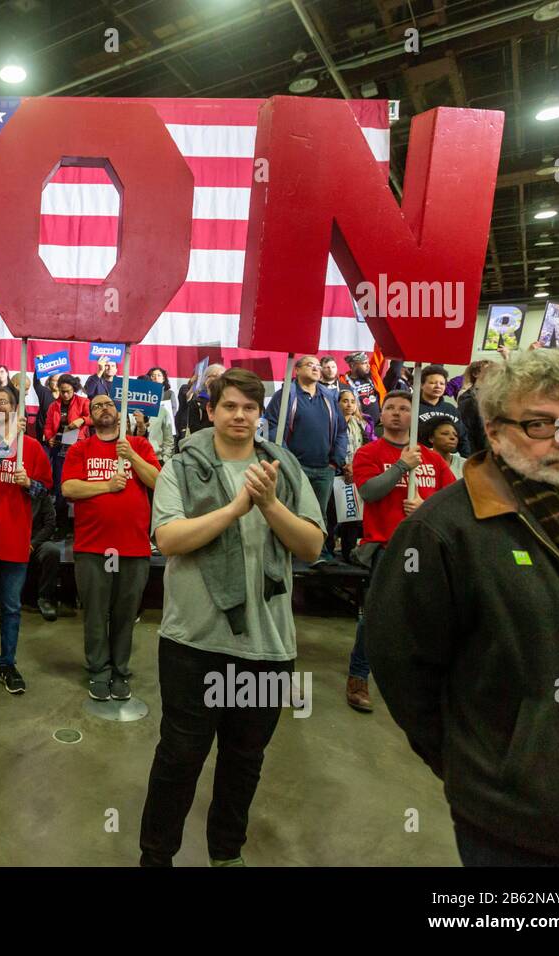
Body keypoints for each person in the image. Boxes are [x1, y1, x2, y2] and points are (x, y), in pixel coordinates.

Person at [366, 349, 559, 866]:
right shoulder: (442, 532)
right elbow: (403, 667)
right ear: (496, 434)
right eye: (540, 425)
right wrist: (487, 767)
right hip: (521, 827)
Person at [141, 368, 324, 867]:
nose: (239, 415)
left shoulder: (283, 470)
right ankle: (156, 857)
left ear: (259, 413)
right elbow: (169, 539)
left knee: (244, 762)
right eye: (230, 406)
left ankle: (226, 854)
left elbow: (310, 545)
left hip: (266, 649)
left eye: (249, 407)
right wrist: (238, 505)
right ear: (211, 411)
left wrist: (268, 505)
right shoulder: (182, 467)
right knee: (179, 759)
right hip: (193, 644)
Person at [344, 391, 455, 713]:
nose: (396, 413)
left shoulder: (431, 458)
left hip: (424, 548)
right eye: (389, 408)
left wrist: (426, 507)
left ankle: (416, 682)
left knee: (424, 616)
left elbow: (451, 498)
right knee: (375, 616)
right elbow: (369, 491)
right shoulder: (369, 453)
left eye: (404, 408)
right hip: (386, 546)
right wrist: (400, 468)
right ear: (381, 415)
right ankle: (358, 676)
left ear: (413, 415)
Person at [61, 393, 160, 701]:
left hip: (132, 547)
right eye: (96, 406)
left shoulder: (139, 446)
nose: (103, 408)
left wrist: (131, 456)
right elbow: (69, 488)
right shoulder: (80, 448)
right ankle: (99, 670)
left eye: (107, 404)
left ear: (119, 412)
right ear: (89, 416)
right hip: (92, 546)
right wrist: (107, 485)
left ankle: (120, 671)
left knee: (125, 612)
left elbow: (158, 481)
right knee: (95, 612)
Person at [0, 387, 53, 695]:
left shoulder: (33, 447)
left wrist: (30, 484)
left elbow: (45, 490)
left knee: (12, 607)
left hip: (16, 537)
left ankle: (8, 663)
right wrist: (6, 443)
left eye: (3, 402)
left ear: (15, 408)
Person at [263, 355, 347, 559]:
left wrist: (335, 460)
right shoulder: (285, 396)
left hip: (324, 469)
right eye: (310, 365)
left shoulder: (329, 397)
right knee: (291, 511)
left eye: (318, 366)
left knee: (319, 514)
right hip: (295, 468)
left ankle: (318, 553)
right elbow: (272, 427)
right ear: (297, 370)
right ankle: (288, 554)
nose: (316, 368)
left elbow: (341, 431)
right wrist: (287, 461)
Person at [43, 373, 90, 535]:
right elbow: (48, 425)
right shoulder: (54, 405)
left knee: (80, 485)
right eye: (62, 391)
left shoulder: (83, 401)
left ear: (74, 389)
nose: (65, 395)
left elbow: (93, 417)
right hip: (59, 448)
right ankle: (62, 527)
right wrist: (49, 437)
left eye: (68, 391)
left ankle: (81, 527)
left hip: (78, 448)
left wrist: (82, 420)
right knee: (59, 486)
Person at [336, 388, 374, 562]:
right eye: (345, 401)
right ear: (337, 403)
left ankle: (349, 553)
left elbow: (367, 447)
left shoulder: (361, 424)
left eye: (352, 401)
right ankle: (327, 550)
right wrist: (343, 465)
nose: (349, 404)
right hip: (337, 472)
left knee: (351, 515)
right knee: (331, 515)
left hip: (356, 472)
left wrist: (355, 466)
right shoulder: (333, 422)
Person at [26, 489, 61, 621]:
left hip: (37, 541)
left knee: (52, 551)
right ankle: (4, 598)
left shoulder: (42, 494)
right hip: (14, 541)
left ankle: (45, 598)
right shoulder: (10, 493)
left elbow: (50, 525)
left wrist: (32, 544)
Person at [415, 364, 467, 452]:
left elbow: (463, 437)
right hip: (422, 458)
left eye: (442, 383)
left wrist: (465, 459)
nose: (438, 386)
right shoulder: (412, 408)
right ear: (421, 385)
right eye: (432, 383)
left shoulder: (451, 409)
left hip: (451, 459)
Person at [177, 363, 224, 441]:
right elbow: (195, 431)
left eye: (222, 376)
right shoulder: (197, 401)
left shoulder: (230, 399)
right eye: (215, 376)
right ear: (206, 378)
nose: (218, 379)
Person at [455, 359, 492, 456]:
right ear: (476, 373)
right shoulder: (468, 398)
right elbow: (466, 432)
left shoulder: (494, 396)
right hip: (478, 453)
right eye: (488, 370)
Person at [339, 351, 380, 428]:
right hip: (360, 427)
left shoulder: (372, 376)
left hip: (379, 425)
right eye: (364, 363)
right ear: (353, 365)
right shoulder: (343, 382)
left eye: (368, 363)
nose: (368, 366)